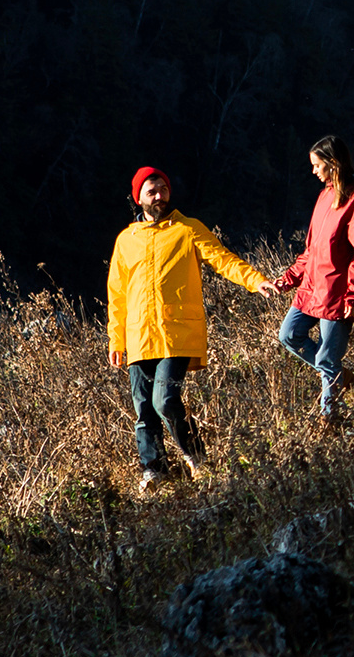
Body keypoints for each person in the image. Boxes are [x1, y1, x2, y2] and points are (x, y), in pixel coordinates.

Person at [106, 165, 270, 490]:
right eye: (152, 191)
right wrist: (116, 339)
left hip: (177, 335)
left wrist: (255, 281)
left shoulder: (188, 229)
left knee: (164, 400)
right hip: (138, 338)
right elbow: (117, 295)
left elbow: (222, 259)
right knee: (144, 410)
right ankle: (154, 472)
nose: (159, 196)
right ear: (138, 197)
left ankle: (197, 458)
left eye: (163, 189)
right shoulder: (126, 240)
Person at [268, 135, 354, 425]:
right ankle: (342, 377)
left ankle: (330, 423)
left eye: (317, 165)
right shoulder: (325, 195)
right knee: (289, 335)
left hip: (338, 294)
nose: (314, 171)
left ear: (333, 164)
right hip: (312, 287)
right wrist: (287, 280)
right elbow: (312, 249)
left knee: (328, 362)